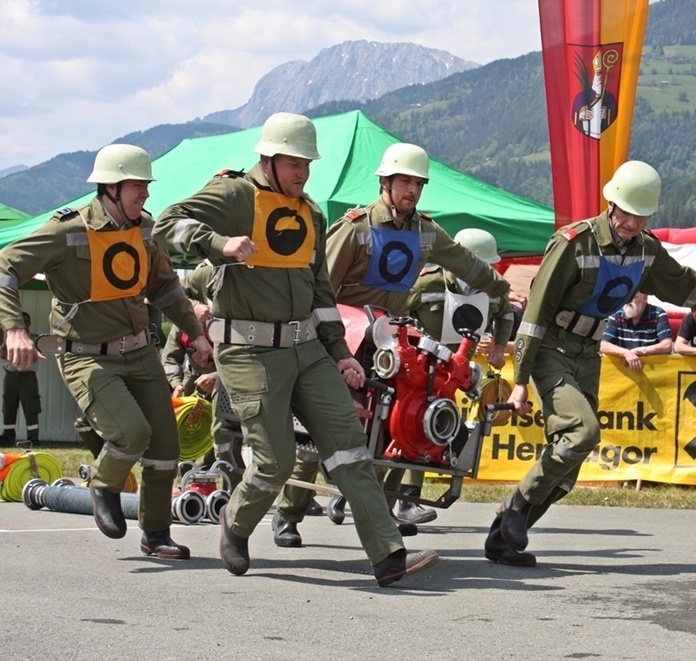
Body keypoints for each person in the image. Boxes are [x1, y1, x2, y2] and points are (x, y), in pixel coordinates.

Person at [154, 112, 437, 585]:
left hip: (308, 349)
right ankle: (236, 523)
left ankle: (388, 555)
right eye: (293, 163)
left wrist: (340, 352)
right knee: (275, 461)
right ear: (267, 159)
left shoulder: (312, 213)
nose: (303, 172)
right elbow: (167, 225)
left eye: (307, 163)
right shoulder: (234, 193)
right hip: (248, 353)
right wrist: (219, 243)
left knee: (349, 447)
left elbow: (321, 292)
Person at [494, 160, 696, 567]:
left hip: (588, 351)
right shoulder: (573, 243)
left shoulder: (645, 249)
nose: (632, 223)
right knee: (583, 433)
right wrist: (520, 380)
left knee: (569, 466)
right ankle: (516, 505)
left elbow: (686, 283)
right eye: (626, 213)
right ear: (611, 203)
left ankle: (502, 539)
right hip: (551, 348)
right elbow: (535, 313)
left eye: (641, 216)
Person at [0, 143, 212, 560]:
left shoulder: (145, 228)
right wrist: (14, 329)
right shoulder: (67, 230)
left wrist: (196, 333)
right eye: (137, 186)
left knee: (165, 446)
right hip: (87, 356)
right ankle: (103, 483)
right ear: (110, 188)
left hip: (141, 353)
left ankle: (156, 533)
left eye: (146, 186)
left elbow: (165, 288)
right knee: (131, 433)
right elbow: (6, 265)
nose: (145, 194)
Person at [317, 142, 512, 531]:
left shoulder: (425, 231)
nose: (412, 190)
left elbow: (464, 261)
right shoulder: (356, 228)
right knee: (324, 426)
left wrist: (500, 288)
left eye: (418, 184)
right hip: (345, 336)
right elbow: (319, 288)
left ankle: (381, 514)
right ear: (385, 183)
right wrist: (330, 344)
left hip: (390, 342)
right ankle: (290, 512)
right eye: (404, 181)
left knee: (397, 425)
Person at [395, 227, 515, 524]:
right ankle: (391, 499)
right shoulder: (428, 283)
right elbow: (393, 311)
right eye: (480, 265)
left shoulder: (491, 288)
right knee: (407, 432)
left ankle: (404, 501)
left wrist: (499, 346)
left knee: (433, 433)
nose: (485, 272)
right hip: (417, 373)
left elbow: (506, 313)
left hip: (454, 376)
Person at [599, 291, 672, 371]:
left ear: (645, 298)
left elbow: (667, 345)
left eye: (634, 296)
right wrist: (626, 353)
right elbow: (603, 345)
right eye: (626, 296)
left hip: (653, 372)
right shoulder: (617, 315)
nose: (628, 300)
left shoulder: (658, 314)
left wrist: (639, 351)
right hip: (625, 372)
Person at [1, 312, 41, 443]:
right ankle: (8, 437)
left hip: (28, 378)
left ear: (29, 323)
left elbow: (33, 356)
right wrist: (22, 355)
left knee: (31, 408)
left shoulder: (34, 339)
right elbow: (2, 353)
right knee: (8, 406)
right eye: (20, 321)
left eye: (25, 321)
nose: (22, 324)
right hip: (11, 377)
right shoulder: (8, 338)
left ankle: (33, 439)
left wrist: (12, 354)